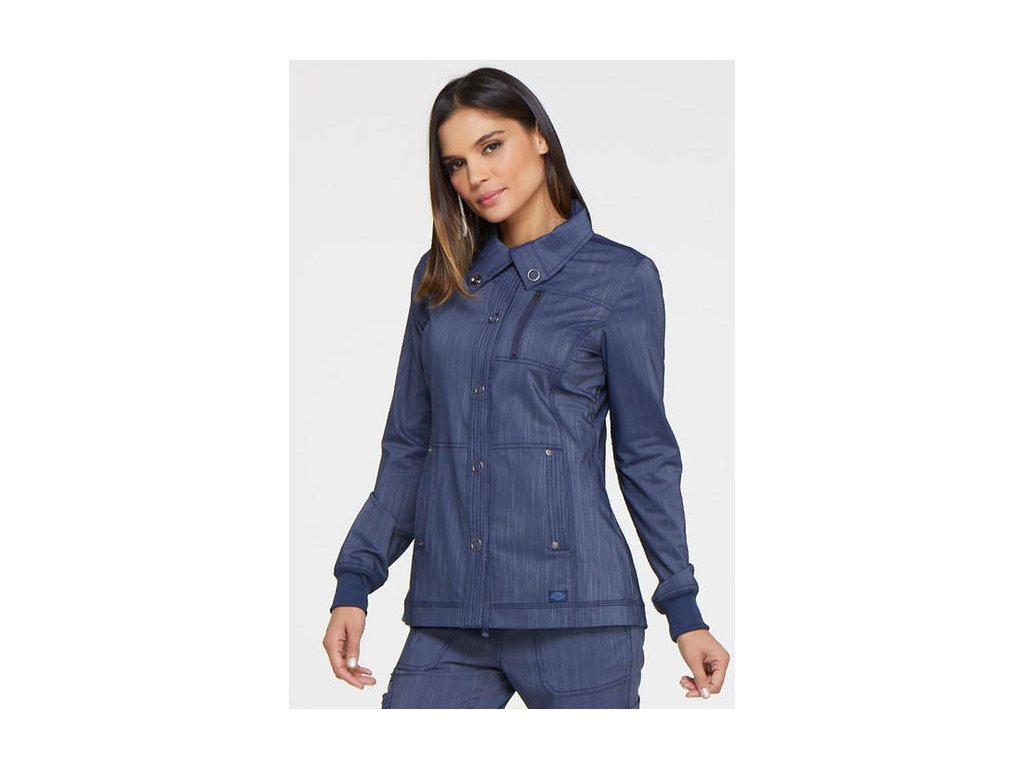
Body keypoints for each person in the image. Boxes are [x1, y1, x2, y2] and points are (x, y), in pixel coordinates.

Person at [323, 66, 730, 708]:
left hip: (581, 619)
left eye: (492, 146)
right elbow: (408, 446)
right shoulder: (439, 281)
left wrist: (684, 608)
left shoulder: (621, 279)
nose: (476, 176)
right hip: (450, 613)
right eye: (456, 164)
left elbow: (646, 453)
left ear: (538, 136)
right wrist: (355, 580)